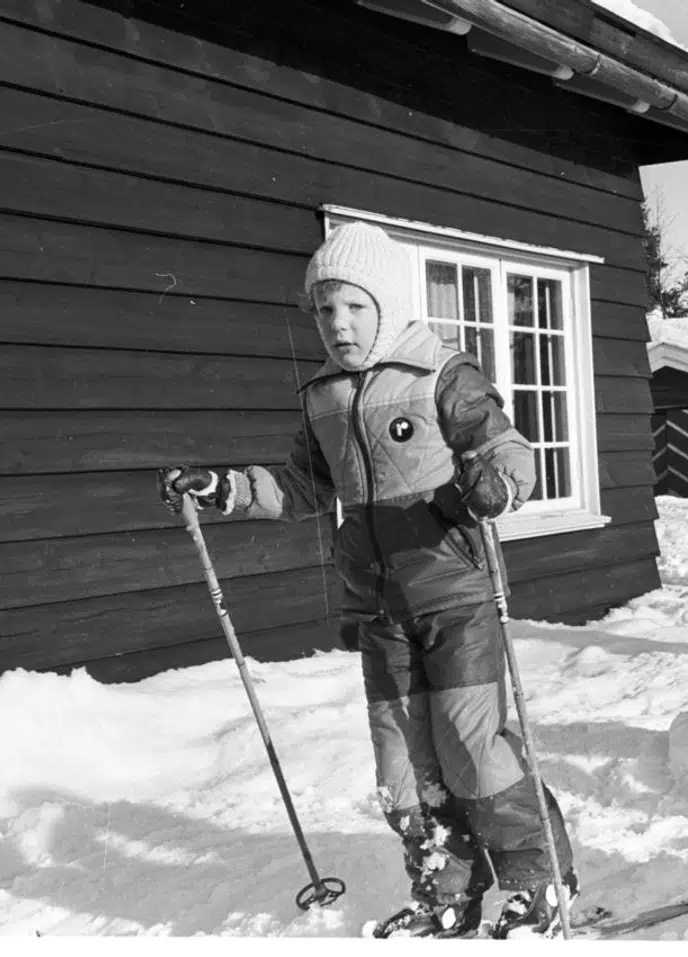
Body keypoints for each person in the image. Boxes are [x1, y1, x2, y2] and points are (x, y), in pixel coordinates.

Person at [157, 222, 576, 938]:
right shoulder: (321, 397)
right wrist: (224, 488)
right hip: (380, 604)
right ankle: (448, 885)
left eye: (352, 306)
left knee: (471, 745)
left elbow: (506, 448)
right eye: (324, 311)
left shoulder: (439, 372)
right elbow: (300, 486)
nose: (338, 324)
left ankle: (539, 882)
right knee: (402, 765)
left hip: (455, 593)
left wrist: (497, 484)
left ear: (384, 302)